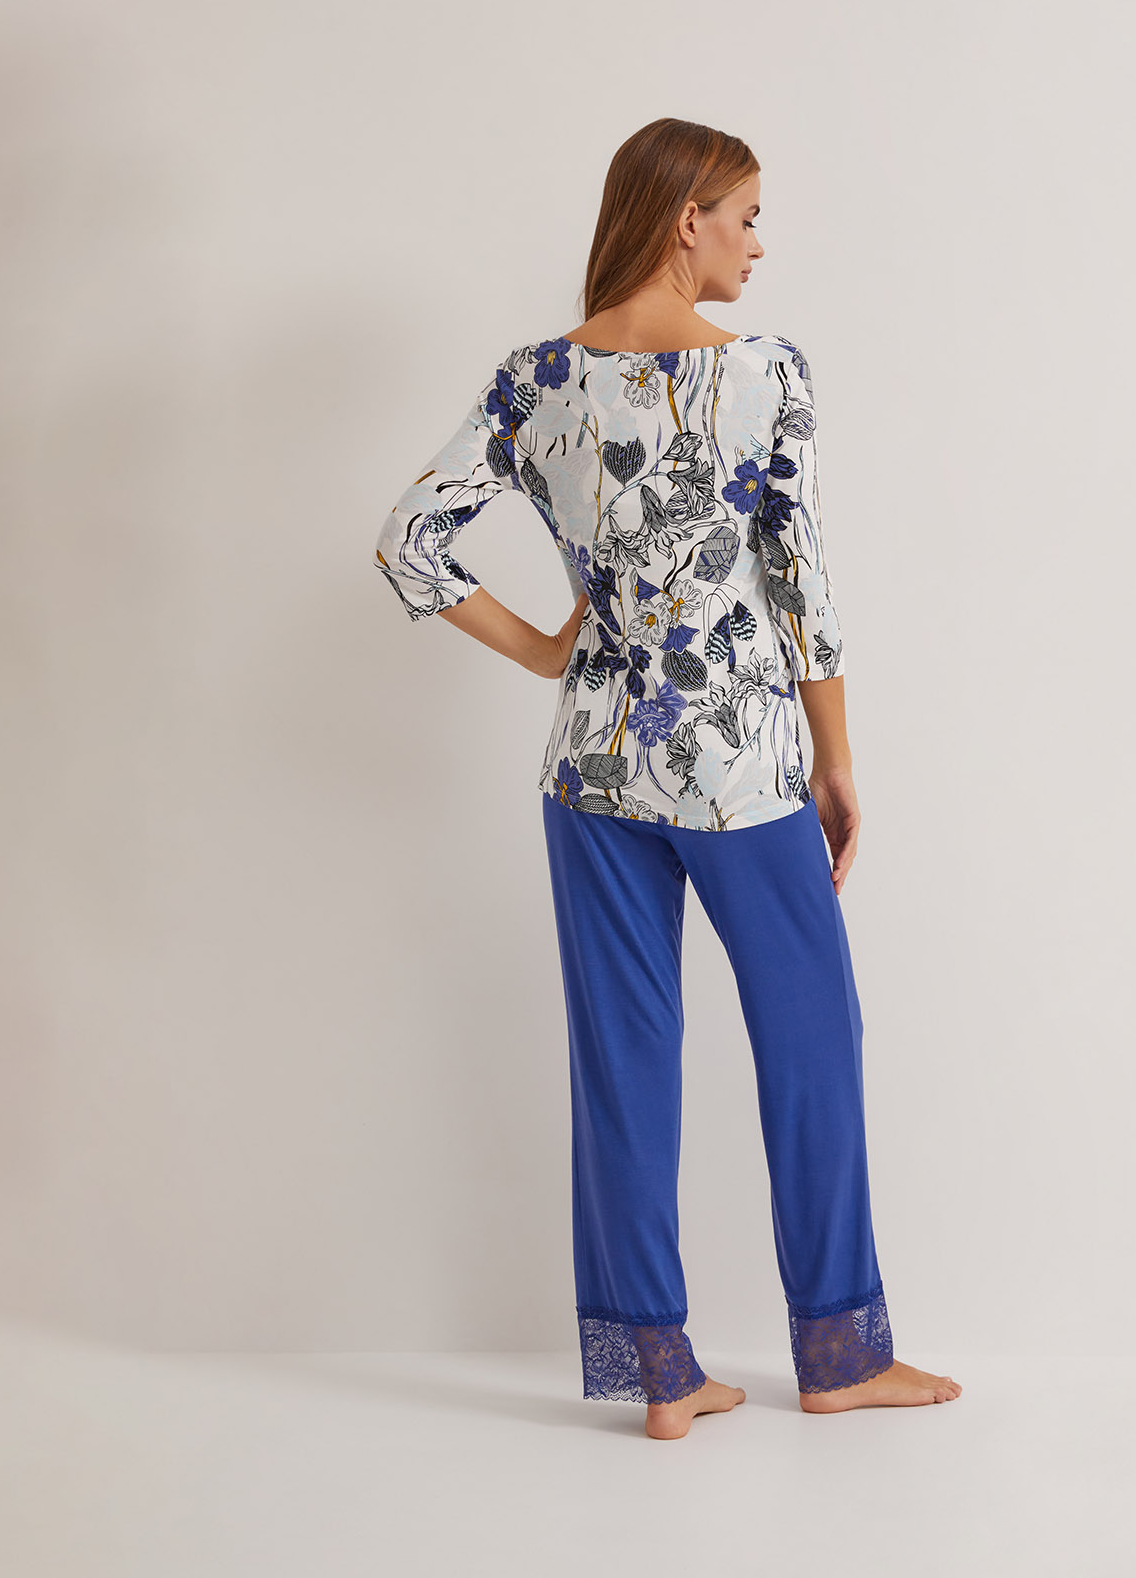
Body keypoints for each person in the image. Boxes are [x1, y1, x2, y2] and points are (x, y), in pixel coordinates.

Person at [372, 117, 961, 1441]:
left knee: (625, 1059)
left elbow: (410, 539)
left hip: (592, 767)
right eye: (746, 216)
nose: (759, 243)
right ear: (686, 216)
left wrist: (547, 652)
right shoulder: (762, 374)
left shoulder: (536, 380)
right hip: (741, 769)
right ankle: (840, 1354)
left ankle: (660, 1375)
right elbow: (803, 586)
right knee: (813, 1040)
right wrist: (838, 759)